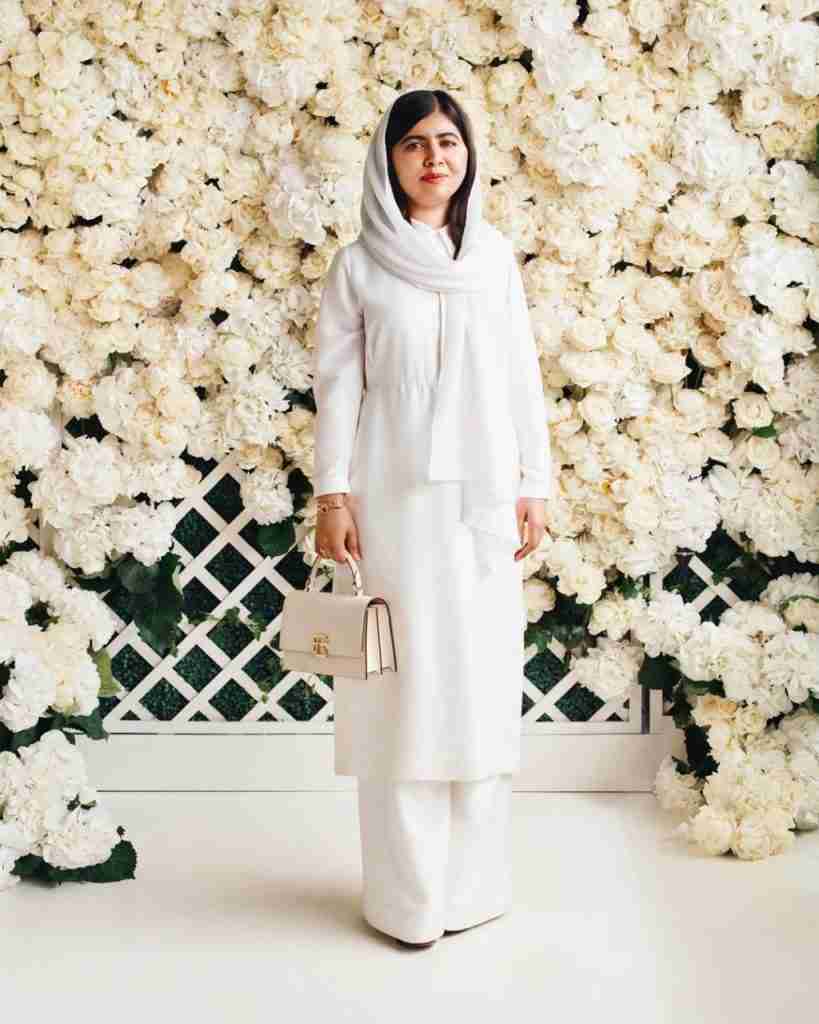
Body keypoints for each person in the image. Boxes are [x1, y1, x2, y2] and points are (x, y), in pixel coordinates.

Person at [311, 88, 551, 948]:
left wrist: (533, 483)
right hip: (394, 496)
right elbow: (338, 387)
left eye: (447, 142)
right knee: (404, 691)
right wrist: (332, 494)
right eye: (413, 144)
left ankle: (472, 892)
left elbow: (519, 375)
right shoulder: (359, 266)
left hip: (479, 504)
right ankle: (405, 902)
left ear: (467, 155)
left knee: (476, 683)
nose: (433, 158)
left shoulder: (492, 258)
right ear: (388, 160)